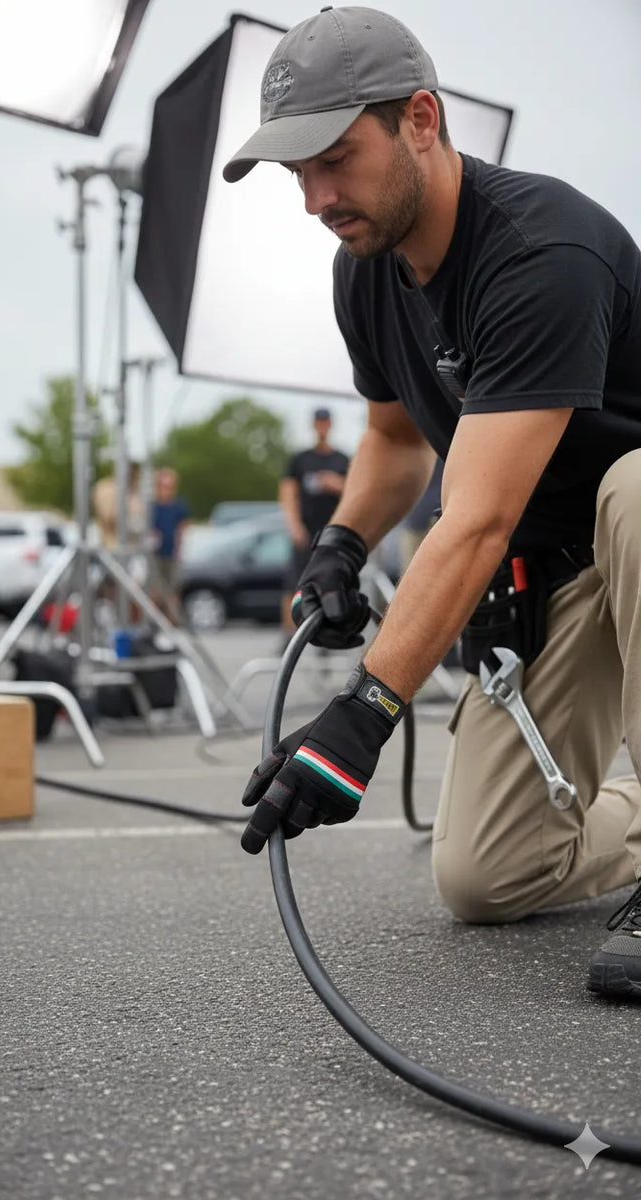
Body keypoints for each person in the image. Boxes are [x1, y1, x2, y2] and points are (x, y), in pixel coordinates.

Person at [224, 6, 641, 1001]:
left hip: (627, 528)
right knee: (485, 877)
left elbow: (477, 515)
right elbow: (395, 438)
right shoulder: (364, 271)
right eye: (296, 173)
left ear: (419, 118)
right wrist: (339, 542)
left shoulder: (542, 251)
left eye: (334, 159)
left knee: (635, 488)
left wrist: (364, 711)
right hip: (556, 571)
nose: (316, 199)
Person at [279, 407, 349, 650]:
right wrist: (294, 525)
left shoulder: (341, 460)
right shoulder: (300, 460)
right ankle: (289, 636)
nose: (322, 426)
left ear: (330, 425)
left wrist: (335, 484)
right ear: (313, 425)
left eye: (325, 422)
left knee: (331, 584)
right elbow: (287, 493)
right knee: (293, 584)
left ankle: (327, 636)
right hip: (305, 532)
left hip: (331, 533)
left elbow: (355, 492)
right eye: (318, 422)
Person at [150, 467, 190, 622]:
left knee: (172, 588)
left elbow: (182, 528)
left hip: (172, 554)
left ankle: (172, 621)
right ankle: (154, 620)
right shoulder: (152, 506)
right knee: (155, 589)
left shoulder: (178, 505)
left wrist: (178, 551)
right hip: (154, 554)